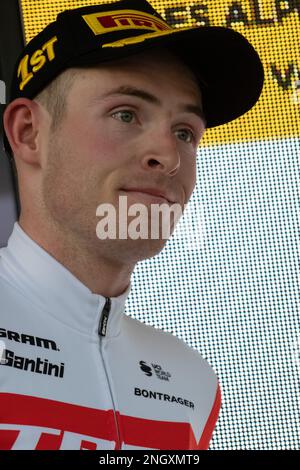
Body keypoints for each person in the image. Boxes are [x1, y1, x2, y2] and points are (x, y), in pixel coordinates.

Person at [0, 0, 264, 450]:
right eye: (126, 114)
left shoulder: (191, 382)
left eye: (185, 131)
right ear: (29, 132)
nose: (169, 157)